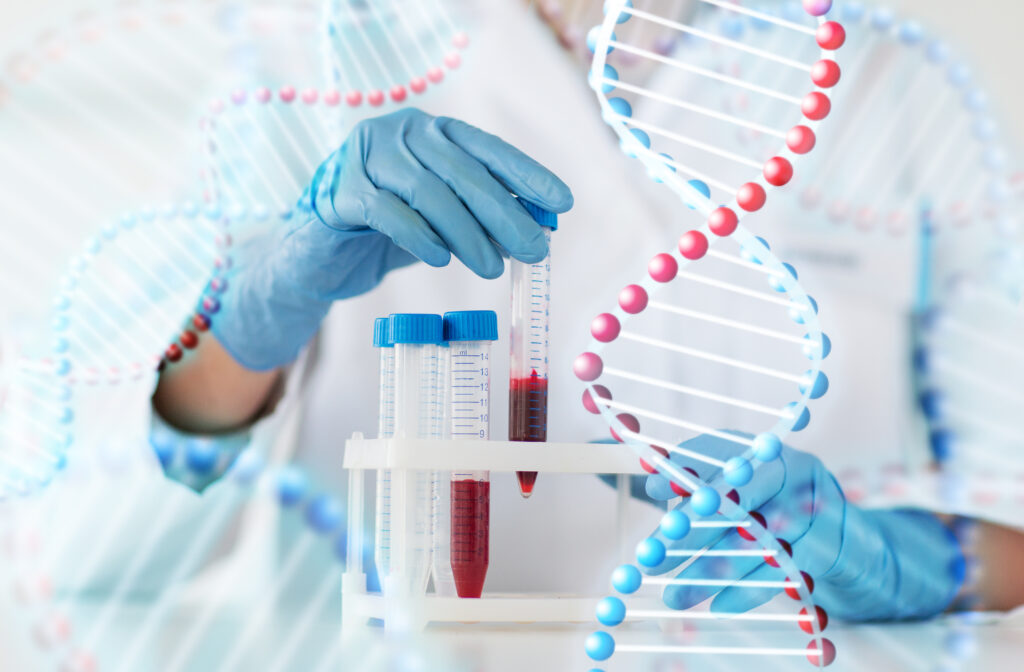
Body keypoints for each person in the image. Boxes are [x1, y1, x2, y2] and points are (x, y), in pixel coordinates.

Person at [150, 0, 1024, 622]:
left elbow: (1014, 521)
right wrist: (254, 313)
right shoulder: (302, 50)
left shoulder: (892, 83)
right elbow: (99, 539)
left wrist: (890, 560)